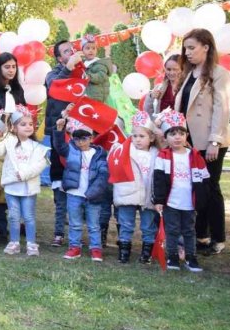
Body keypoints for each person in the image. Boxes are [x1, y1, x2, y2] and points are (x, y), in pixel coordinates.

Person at [174, 29, 230, 256]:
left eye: (192, 48)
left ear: (206, 47)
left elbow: (221, 109)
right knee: (196, 190)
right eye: (185, 49)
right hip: (189, 141)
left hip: (209, 141)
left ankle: (218, 238)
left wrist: (214, 142)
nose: (187, 53)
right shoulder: (190, 73)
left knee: (210, 188)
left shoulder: (220, 74)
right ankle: (202, 235)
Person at [153, 110, 210, 272]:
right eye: (172, 134)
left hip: (189, 203)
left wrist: (201, 199)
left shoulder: (196, 156)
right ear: (166, 137)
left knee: (189, 231)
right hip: (171, 202)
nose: (177, 137)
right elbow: (158, 180)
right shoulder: (162, 156)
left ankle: (191, 257)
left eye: (181, 133)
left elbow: (204, 180)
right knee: (172, 230)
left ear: (186, 136)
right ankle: (172, 256)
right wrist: (158, 200)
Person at [0, 106, 48, 257]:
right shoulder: (8, 142)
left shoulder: (37, 147)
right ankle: (14, 242)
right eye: (23, 124)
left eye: (30, 124)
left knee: (28, 216)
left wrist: (24, 174)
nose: (28, 127)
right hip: (11, 188)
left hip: (28, 189)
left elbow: (40, 165)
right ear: (14, 128)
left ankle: (31, 243)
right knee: (13, 216)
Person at [53, 107, 109, 262]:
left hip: (92, 196)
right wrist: (59, 129)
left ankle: (96, 249)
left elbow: (103, 175)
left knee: (94, 225)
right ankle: (74, 247)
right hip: (74, 194)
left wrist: (93, 192)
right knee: (75, 223)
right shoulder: (71, 151)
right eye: (77, 138)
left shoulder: (99, 154)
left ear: (91, 138)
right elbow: (59, 146)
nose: (80, 141)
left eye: (84, 138)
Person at [110, 111, 159, 264]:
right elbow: (112, 161)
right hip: (127, 193)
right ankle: (124, 251)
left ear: (151, 138)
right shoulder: (124, 151)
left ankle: (146, 254)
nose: (137, 140)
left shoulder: (157, 155)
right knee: (126, 223)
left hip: (149, 195)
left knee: (148, 225)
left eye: (142, 136)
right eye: (135, 136)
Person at [45, 40, 75, 247]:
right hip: (59, 133)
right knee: (58, 178)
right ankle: (59, 226)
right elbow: (56, 87)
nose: (72, 52)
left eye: (72, 49)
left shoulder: (84, 71)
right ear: (59, 58)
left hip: (81, 133)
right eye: (66, 51)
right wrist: (69, 67)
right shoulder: (53, 74)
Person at [79, 34, 112, 102]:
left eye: (93, 48)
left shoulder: (100, 63)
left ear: (96, 50)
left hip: (98, 96)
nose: (91, 50)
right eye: (87, 48)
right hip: (88, 95)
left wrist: (89, 77)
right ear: (82, 51)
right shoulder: (83, 64)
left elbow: (101, 76)